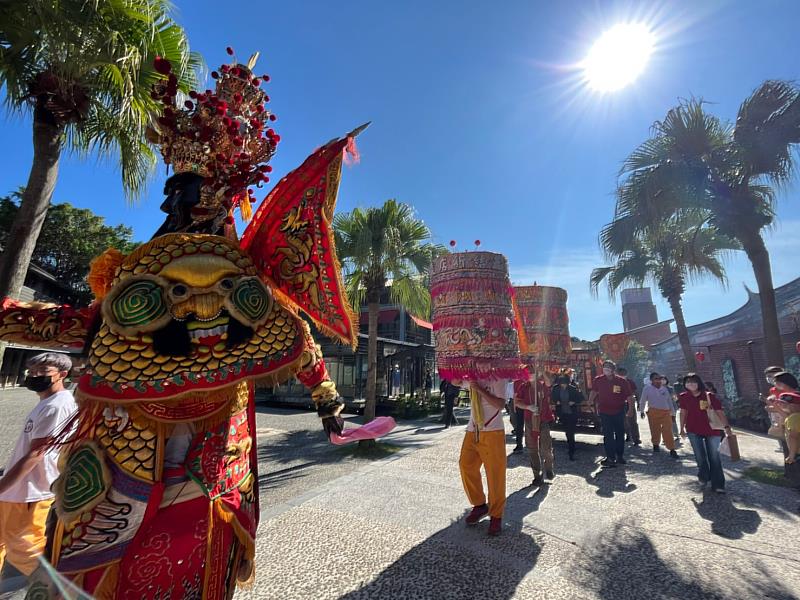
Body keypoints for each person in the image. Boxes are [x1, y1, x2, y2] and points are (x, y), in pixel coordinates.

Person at [0, 353, 77, 582]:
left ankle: (52, 589)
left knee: (24, 548)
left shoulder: (58, 405)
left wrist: (3, 485)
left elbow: (37, 453)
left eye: (43, 371)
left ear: (62, 374)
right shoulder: (47, 403)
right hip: (16, 490)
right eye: (32, 371)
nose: (34, 375)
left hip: (29, 491)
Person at [460, 379, 508, 536]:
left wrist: (480, 389)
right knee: (465, 465)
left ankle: (496, 515)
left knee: (495, 474)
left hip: (492, 431)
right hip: (472, 429)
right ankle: (479, 505)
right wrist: (452, 373)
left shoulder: (498, 378)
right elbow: (456, 381)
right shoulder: (472, 376)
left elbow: (500, 404)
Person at [678, 373, 732, 493]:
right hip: (693, 429)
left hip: (712, 429)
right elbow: (683, 412)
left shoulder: (708, 396)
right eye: (688, 382)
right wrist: (681, 428)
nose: (690, 384)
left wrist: (727, 427)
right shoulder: (683, 396)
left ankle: (718, 484)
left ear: (699, 383)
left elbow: (719, 412)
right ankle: (703, 475)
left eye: (693, 381)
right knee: (699, 456)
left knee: (714, 457)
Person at [589, 360, 634, 467]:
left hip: (619, 411)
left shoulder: (622, 381)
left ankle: (620, 456)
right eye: (604, 367)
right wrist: (590, 401)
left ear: (613, 369)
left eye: (609, 367)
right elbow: (594, 391)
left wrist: (631, 409)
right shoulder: (598, 380)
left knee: (619, 434)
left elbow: (629, 396)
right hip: (604, 412)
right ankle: (610, 457)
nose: (606, 369)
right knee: (608, 435)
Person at [514, 372, 556, 485]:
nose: (530, 375)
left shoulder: (542, 384)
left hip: (544, 420)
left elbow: (549, 383)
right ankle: (537, 475)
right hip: (529, 420)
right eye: (528, 372)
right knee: (532, 449)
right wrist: (528, 407)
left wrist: (542, 370)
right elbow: (517, 402)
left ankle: (549, 467)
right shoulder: (523, 386)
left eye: (533, 372)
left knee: (546, 448)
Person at [640, 372, 678, 458]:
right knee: (655, 429)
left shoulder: (664, 389)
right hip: (653, 412)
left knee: (668, 430)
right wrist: (642, 411)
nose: (658, 380)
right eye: (656, 379)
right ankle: (655, 444)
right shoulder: (647, 388)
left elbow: (669, 401)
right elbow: (643, 400)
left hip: (665, 412)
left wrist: (672, 412)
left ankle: (672, 449)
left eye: (659, 379)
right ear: (651, 380)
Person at [766, 371, 800, 464]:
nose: (774, 384)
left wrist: (791, 455)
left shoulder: (786, 396)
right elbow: (784, 414)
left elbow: (792, 436)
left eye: (775, 382)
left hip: (796, 448)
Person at [551, 374, 584, 460]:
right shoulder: (556, 388)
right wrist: (556, 401)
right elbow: (552, 397)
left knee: (570, 431)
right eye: (562, 384)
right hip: (562, 412)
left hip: (571, 412)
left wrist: (573, 402)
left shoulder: (572, 389)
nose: (563, 385)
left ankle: (571, 450)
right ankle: (570, 445)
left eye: (565, 384)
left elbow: (580, 398)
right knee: (567, 430)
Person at [617, 367, 641, 446]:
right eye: (620, 373)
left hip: (629, 403)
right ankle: (628, 435)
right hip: (620, 404)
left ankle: (636, 438)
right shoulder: (616, 382)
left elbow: (636, 392)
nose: (622, 375)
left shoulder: (630, 382)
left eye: (623, 373)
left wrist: (638, 403)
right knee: (623, 422)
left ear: (627, 374)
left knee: (632, 421)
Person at [508, 379, 524, 453]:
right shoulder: (516, 382)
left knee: (521, 426)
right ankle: (519, 444)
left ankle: (520, 445)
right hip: (519, 405)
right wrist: (515, 407)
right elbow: (515, 396)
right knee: (519, 426)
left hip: (526, 404)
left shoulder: (517, 382)